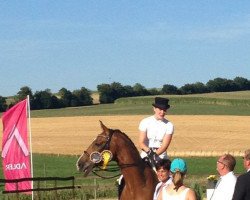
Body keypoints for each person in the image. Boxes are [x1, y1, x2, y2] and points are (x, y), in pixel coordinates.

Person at [138, 97, 174, 163]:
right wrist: (149, 153)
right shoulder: (144, 122)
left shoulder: (169, 125)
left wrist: (154, 155)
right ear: (154, 109)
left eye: (164, 110)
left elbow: (164, 146)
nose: (162, 112)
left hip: (161, 157)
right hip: (145, 155)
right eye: (160, 109)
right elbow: (141, 143)